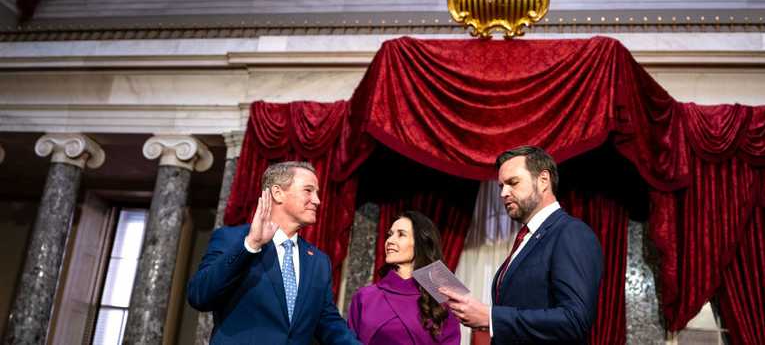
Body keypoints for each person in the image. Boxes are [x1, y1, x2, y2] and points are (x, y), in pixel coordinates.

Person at [441, 146, 604, 344]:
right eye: (501, 186)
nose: (503, 193)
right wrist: (481, 316)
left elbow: (575, 320)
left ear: (543, 180)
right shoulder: (526, 238)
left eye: (513, 183)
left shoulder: (571, 233)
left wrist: (491, 317)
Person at [187, 161, 360, 345]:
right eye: (308, 190)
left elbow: (329, 322)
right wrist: (250, 245)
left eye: (316, 193)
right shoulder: (232, 239)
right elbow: (200, 296)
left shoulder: (318, 261)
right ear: (278, 193)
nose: (317, 200)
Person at [348, 210, 461, 345]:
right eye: (389, 235)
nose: (390, 240)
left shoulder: (443, 297)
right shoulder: (364, 296)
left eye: (401, 234)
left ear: (420, 244)